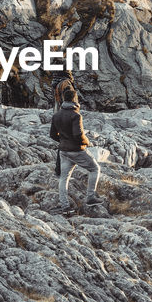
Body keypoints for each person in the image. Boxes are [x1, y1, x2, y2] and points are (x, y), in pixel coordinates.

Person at [49, 86, 104, 216]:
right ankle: (90, 197)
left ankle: (65, 206)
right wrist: (87, 142)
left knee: (64, 178)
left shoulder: (56, 115)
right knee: (95, 169)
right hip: (77, 150)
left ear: (64, 99)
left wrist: (63, 141)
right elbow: (78, 135)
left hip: (63, 151)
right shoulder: (76, 115)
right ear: (75, 99)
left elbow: (52, 135)